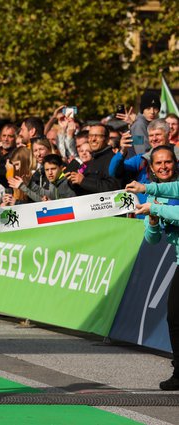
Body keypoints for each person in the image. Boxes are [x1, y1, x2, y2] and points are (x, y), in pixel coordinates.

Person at [125, 145, 179, 391]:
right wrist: (154, 221)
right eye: (159, 163)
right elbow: (152, 239)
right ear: (152, 168)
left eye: (168, 162)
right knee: (175, 317)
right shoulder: (157, 193)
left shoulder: (168, 191)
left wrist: (154, 205)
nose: (164, 166)